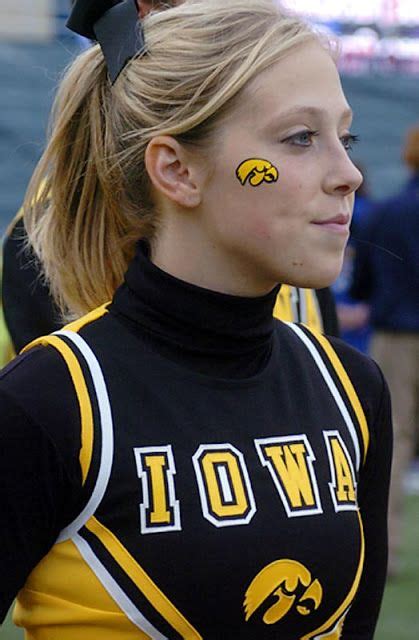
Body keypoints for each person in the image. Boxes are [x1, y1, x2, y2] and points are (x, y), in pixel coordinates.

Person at [0, 1, 392, 638]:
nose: (348, 174)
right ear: (177, 170)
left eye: (343, 138)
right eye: (300, 137)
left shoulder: (352, 389)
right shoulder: (46, 403)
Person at [351, 126, 419, 577]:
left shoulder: (389, 212)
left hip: (397, 336)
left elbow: (363, 286)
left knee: (393, 442)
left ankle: (387, 550)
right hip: (397, 330)